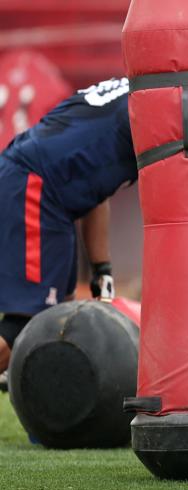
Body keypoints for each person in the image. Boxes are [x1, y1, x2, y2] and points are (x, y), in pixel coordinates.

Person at [0, 77, 135, 376]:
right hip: (34, 186)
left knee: (61, 315)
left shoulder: (136, 90)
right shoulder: (153, 108)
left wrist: (102, 272)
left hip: (45, 193)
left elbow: (98, 193)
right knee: (30, 325)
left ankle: (50, 402)